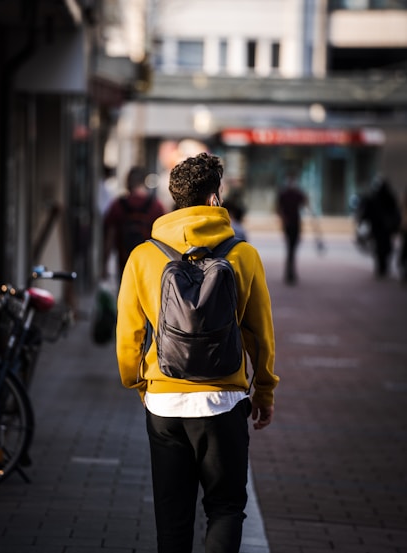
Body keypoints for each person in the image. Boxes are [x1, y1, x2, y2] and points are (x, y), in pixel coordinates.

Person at [115, 152, 279, 553]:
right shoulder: (244, 255)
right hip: (223, 401)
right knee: (224, 508)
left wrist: (141, 383)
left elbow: (129, 336)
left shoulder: (143, 256)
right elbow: (260, 333)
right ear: (213, 199)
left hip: (165, 404)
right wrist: (264, 392)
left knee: (172, 518)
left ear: (175, 199)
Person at [103, 165, 165, 281]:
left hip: (125, 262)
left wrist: (104, 264)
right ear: (144, 182)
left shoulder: (118, 205)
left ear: (128, 183)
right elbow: (163, 238)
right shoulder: (156, 206)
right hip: (149, 263)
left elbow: (109, 237)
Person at [359, 176, 401, 278]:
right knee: (382, 248)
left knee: (382, 248)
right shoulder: (382, 197)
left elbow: (395, 212)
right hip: (381, 228)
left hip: (382, 227)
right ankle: (382, 267)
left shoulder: (382, 197)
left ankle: (382, 267)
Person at [276, 175, 308, 284]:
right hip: (290, 224)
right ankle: (290, 273)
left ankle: (290, 273)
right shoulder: (285, 194)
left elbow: (305, 202)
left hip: (294, 224)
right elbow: (278, 209)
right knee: (291, 249)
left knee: (291, 249)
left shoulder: (296, 194)